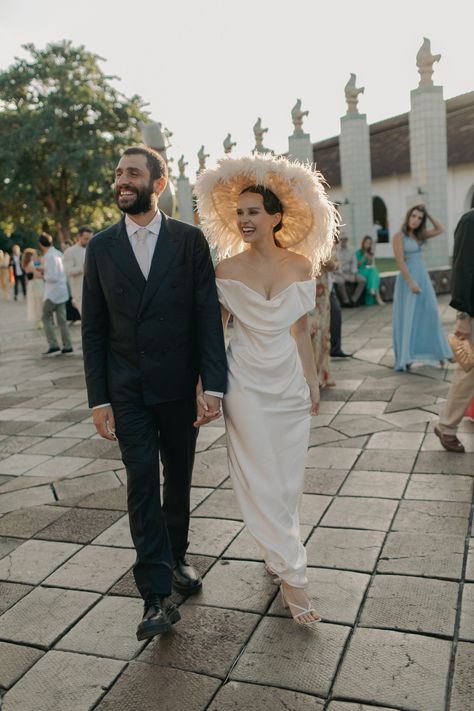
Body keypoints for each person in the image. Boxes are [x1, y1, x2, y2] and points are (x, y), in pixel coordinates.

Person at [82, 145, 227, 642]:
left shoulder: (189, 241)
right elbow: (94, 331)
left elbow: (207, 315)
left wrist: (215, 386)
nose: (122, 180)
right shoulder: (100, 247)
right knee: (142, 478)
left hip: (177, 385)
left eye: (133, 173)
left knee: (178, 476)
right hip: (127, 389)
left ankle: (178, 556)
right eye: (118, 172)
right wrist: (98, 399)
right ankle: (154, 594)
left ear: (158, 184)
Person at [194, 155, 338, 628]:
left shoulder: (301, 265)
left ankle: (276, 554)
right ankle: (295, 580)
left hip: (290, 384)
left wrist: (312, 381)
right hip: (246, 386)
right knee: (260, 478)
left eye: (254, 211)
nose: (245, 220)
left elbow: (301, 332)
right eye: (239, 213)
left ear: (276, 217)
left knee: (287, 482)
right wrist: (204, 387)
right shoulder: (225, 271)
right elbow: (213, 336)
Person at [392, 205, 452, 371]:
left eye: (419, 218)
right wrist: (411, 282)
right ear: (408, 216)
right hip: (408, 280)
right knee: (409, 316)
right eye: (413, 216)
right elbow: (400, 261)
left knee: (431, 313)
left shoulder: (420, 235)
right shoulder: (399, 236)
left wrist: (428, 212)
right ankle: (407, 356)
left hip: (422, 277)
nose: (415, 220)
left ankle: (439, 352)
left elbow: (440, 228)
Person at [435, 209, 474, 452]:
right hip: (472, 312)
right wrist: (463, 316)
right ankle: (447, 427)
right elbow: (462, 269)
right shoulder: (470, 221)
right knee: (468, 370)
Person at [37, 233, 73, 356]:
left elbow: (52, 277)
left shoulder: (48, 256)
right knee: (62, 320)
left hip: (52, 292)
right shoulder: (58, 253)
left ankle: (53, 345)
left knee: (45, 317)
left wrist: (43, 274)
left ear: (41, 244)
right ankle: (67, 345)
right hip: (62, 291)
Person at [308, 269, 334, 388]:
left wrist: (329, 263)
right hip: (307, 287)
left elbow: (335, 264)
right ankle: (310, 375)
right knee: (310, 334)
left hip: (322, 294)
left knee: (322, 335)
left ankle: (320, 374)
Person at [63, 226, 93, 315]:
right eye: (86, 239)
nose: (88, 241)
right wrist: (83, 268)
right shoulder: (70, 252)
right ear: (78, 237)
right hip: (80, 291)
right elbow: (67, 271)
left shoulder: (94, 249)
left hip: (95, 290)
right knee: (86, 318)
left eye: (90, 239)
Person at [333, 235, 366, 306]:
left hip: (350, 272)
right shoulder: (335, 251)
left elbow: (354, 262)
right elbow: (335, 265)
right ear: (339, 240)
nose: (344, 241)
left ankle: (354, 299)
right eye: (342, 239)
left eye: (345, 239)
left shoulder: (351, 250)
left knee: (362, 280)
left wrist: (353, 273)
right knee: (340, 281)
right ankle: (346, 301)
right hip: (339, 273)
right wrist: (343, 275)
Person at [356, 236, 384, 305]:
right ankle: (377, 297)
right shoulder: (358, 252)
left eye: (369, 243)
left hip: (367, 270)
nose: (368, 244)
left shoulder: (369, 252)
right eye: (367, 242)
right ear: (363, 243)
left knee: (373, 271)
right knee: (374, 272)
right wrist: (364, 257)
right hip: (360, 270)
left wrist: (370, 258)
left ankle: (372, 289)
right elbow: (357, 265)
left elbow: (370, 264)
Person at [21, 248, 44, 326]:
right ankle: (40, 320)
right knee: (38, 302)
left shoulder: (27, 264)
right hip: (36, 283)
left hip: (31, 284)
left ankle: (38, 321)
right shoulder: (31, 263)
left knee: (35, 303)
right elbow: (37, 274)